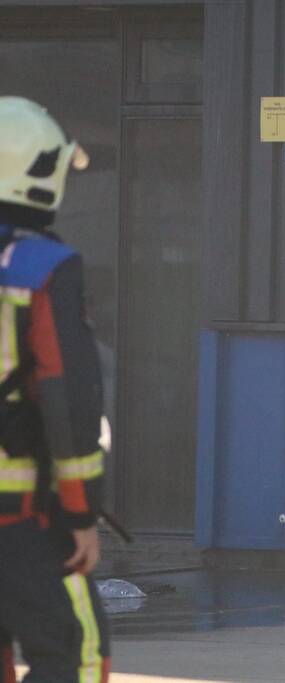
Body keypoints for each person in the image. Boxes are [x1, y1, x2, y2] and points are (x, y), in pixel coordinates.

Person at [0, 97, 110, 682]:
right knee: (76, 647)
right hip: (21, 520)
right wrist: (81, 514)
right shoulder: (45, 267)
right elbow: (68, 401)